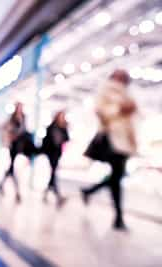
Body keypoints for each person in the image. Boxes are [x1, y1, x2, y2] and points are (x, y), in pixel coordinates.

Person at [81, 69, 137, 230]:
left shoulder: (129, 95)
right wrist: (120, 110)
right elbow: (100, 111)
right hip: (112, 139)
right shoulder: (105, 90)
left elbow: (133, 117)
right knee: (117, 177)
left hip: (125, 141)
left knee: (116, 177)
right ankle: (118, 217)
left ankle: (89, 191)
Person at [0, 102, 26, 203]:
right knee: (12, 167)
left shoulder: (23, 117)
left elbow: (23, 130)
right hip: (12, 145)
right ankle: (17, 192)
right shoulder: (11, 118)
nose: (20, 109)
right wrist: (10, 134)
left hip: (19, 145)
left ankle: (1, 184)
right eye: (18, 107)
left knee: (11, 168)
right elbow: (5, 127)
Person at [42, 110, 69, 207]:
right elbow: (49, 141)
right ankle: (58, 197)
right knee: (53, 173)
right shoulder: (51, 127)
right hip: (51, 153)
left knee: (53, 174)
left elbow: (66, 139)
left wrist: (66, 127)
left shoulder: (63, 127)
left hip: (57, 153)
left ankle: (46, 194)